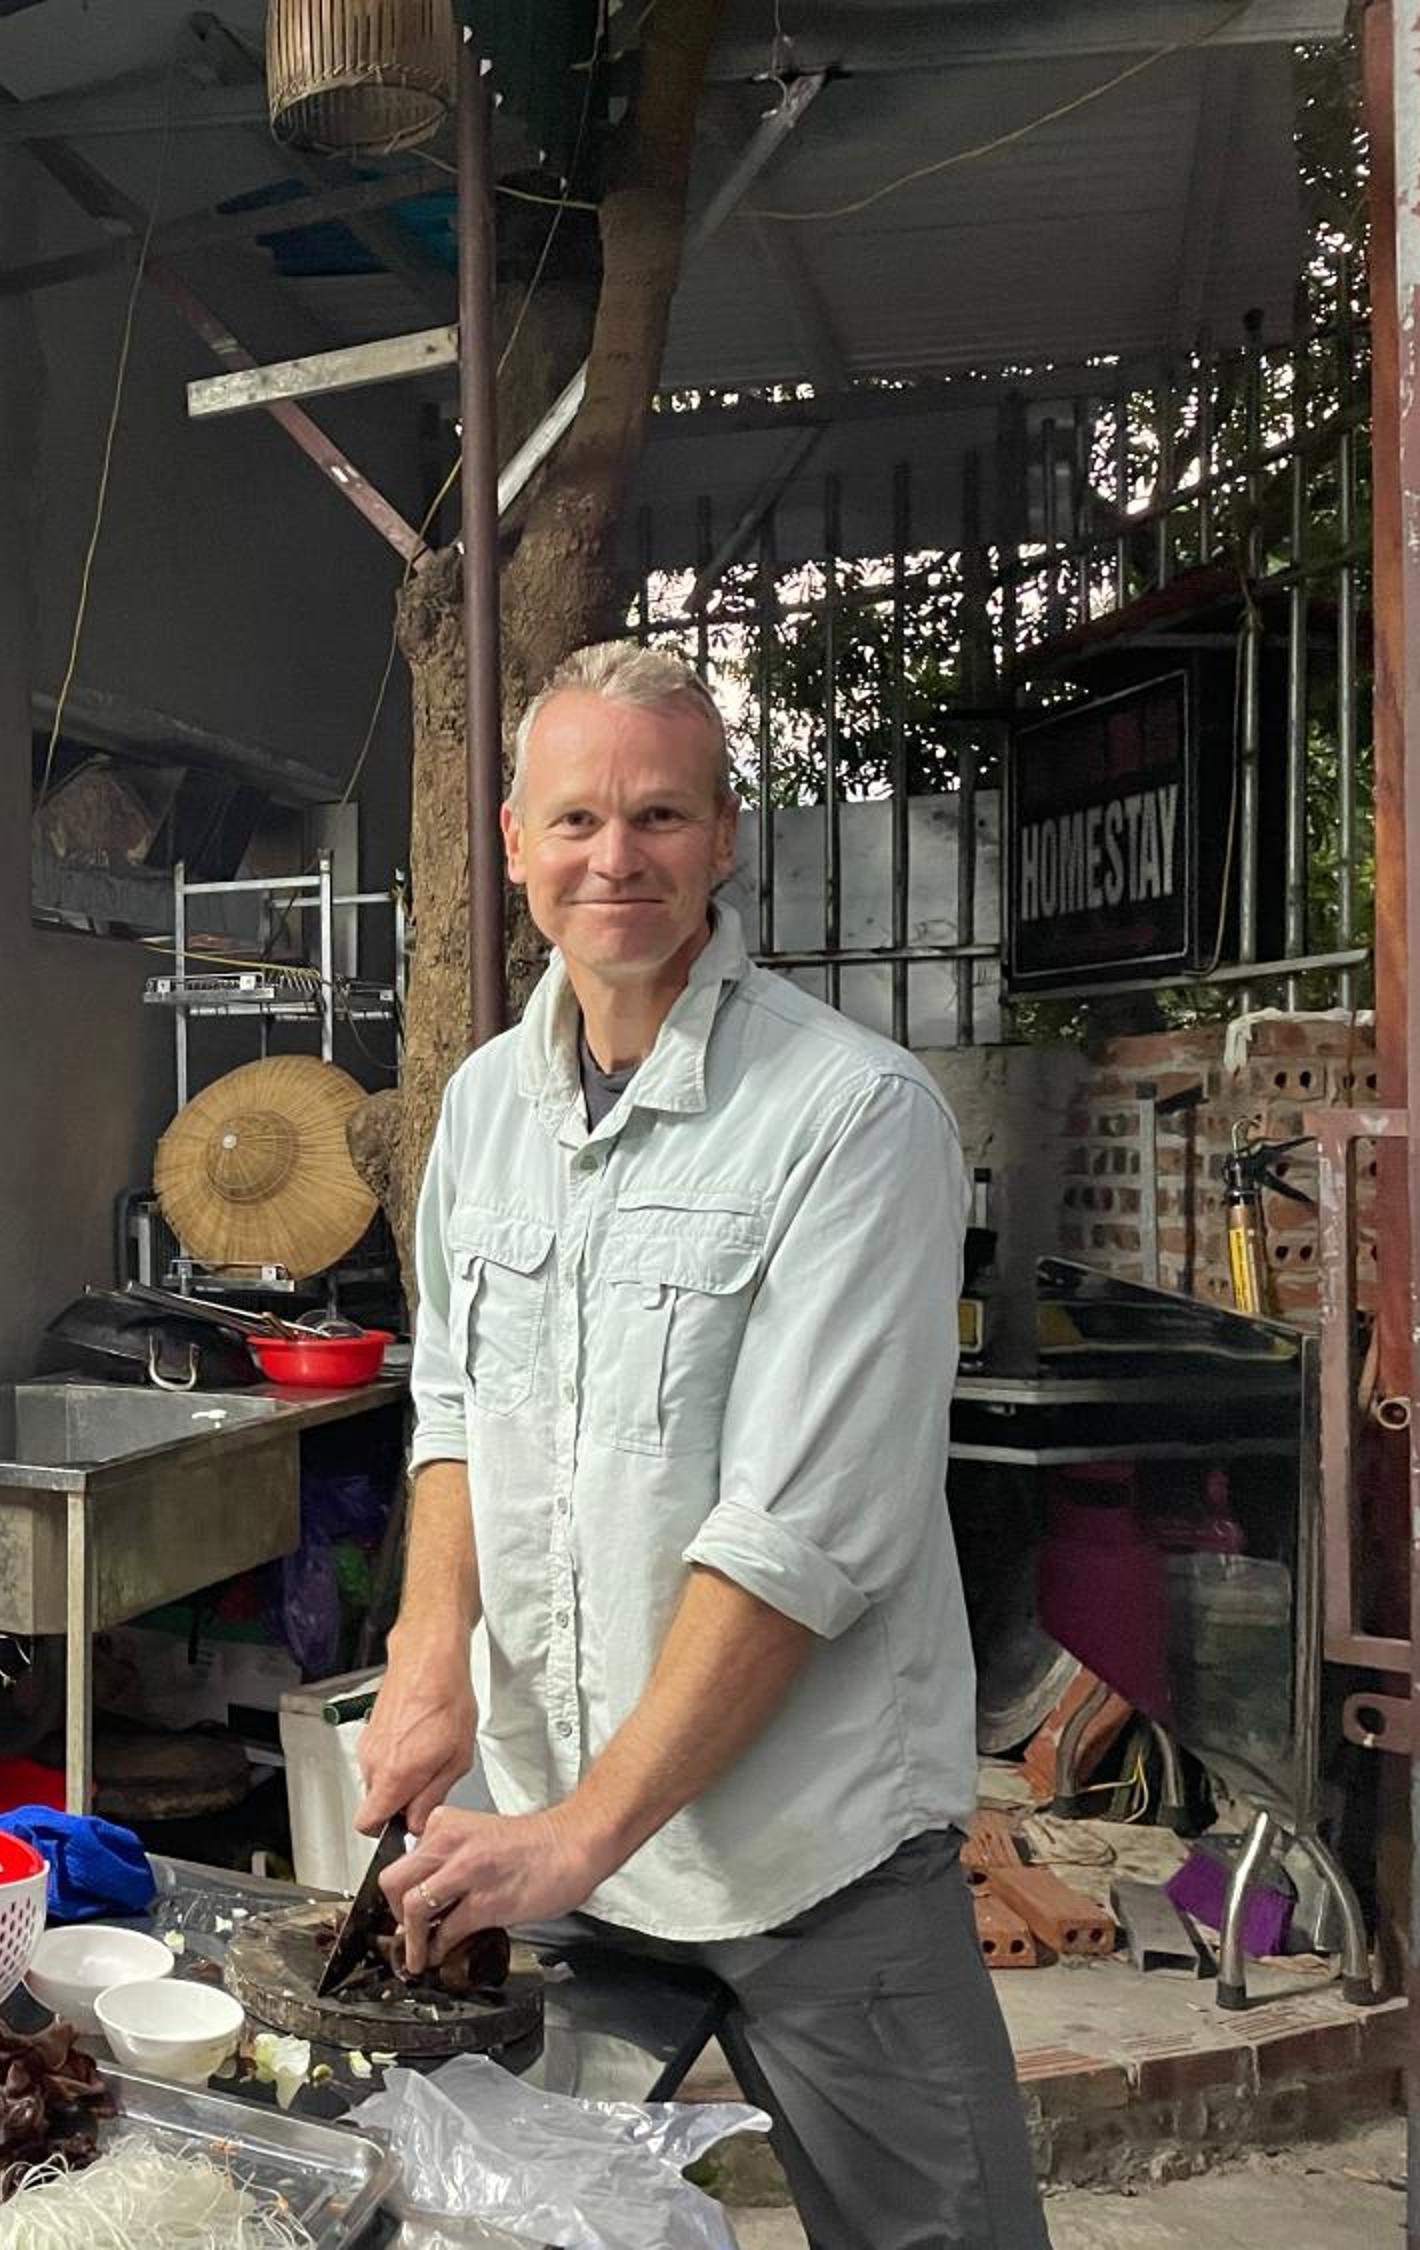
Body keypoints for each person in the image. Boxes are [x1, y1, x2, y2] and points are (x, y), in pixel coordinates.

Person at [357, 641, 1046, 2249]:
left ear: (725, 835)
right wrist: (428, 1649)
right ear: (515, 840)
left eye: (660, 813)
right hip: (560, 1853)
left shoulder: (852, 1116)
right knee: (530, 2226)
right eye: (577, 817)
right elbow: (455, 1406)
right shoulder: (482, 1109)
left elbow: (794, 1541)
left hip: (810, 1856)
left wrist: (580, 1829)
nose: (617, 856)